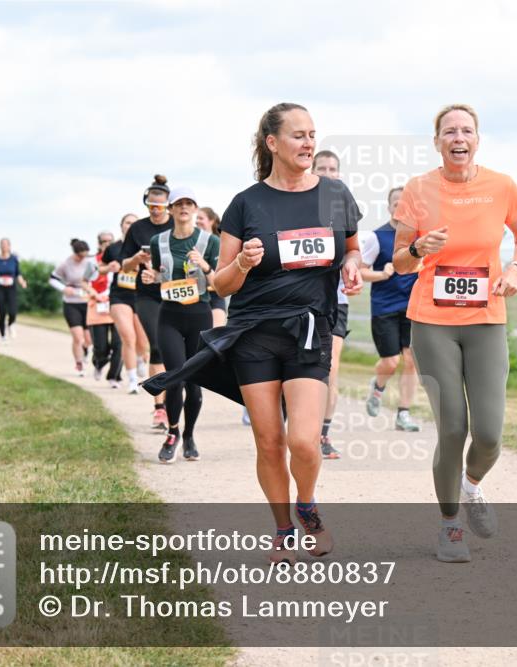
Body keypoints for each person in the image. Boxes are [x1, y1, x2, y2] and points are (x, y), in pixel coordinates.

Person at [144, 103, 363, 563]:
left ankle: (308, 506)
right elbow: (221, 284)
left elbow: (351, 248)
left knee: (303, 441)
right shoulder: (246, 203)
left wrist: (351, 265)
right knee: (269, 441)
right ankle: (283, 529)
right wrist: (242, 263)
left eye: (312, 134)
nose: (309, 143)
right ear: (272, 143)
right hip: (254, 333)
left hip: (309, 329)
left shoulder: (335, 194)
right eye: (299, 135)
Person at [391, 104, 517, 563]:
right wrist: (418, 247)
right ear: (437, 142)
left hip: (486, 319)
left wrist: (515, 268)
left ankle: (471, 486)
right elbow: (400, 262)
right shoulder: (418, 190)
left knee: (489, 433)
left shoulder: (502, 186)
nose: (458, 137)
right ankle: (450, 525)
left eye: (466, 131)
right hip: (432, 321)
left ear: (477, 139)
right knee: (453, 427)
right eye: (449, 131)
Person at [147, 186, 219, 462]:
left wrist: (205, 266)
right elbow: (160, 275)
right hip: (170, 316)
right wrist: (151, 278)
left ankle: (189, 436)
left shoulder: (210, 242)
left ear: (196, 209)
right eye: (179, 204)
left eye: (189, 203)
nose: (184, 208)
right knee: (175, 376)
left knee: (195, 381)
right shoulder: (159, 241)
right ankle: (173, 433)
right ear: (171, 209)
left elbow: (218, 285)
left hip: (199, 313)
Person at [360, 187, 421, 431]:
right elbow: (360, 271)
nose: (401, 206)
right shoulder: (377, 237)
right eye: (397, 203)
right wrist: (382, 274)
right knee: (391, 361)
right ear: (389, 207)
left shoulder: (419, 237)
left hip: (412, 306)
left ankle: (403, 414)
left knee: (412, 360)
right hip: (384, 307)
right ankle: (378, 387)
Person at [121, 176, 174, 427]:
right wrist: (136, 259)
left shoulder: (177, 225)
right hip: (147, 295)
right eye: (151, 205)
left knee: (178, 349)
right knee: (157, 344)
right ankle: (159, 407)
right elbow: (124, 265)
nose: (155, 210)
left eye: (159, 206)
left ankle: (176, 398)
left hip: (175, 292)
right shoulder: (138, 229)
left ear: (168, 205)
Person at [310, 150, 351, 459]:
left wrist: (353, 268)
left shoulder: (344, 210)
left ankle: (323, 433)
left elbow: (354, 252)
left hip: (336, 301)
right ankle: (298, 425)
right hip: (299, 302)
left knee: (331, 368)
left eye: (332, 169)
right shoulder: (295, 206)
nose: (327, 174)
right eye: (321, 168)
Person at [103, 213, 152, 394]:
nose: (130, 225)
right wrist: (108, 268)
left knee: (143, 341)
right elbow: (100, 268)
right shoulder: (113, 248)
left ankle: (141, 358)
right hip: (119, 296)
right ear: (121, 225)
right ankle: (132, 380)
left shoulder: (145, 247)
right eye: (127, 222)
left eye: (134, 223)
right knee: (128, 337)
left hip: (141, 295)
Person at [50, 239, 99, 375]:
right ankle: (79, 364)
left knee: (89, 339)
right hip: (71, 303)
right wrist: (63, 288)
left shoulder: (90, 263)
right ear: (75, 253)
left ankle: (85, 350)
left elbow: (96, 278)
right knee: (78, 337)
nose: (82, 258)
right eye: (80, 256)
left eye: (85, 256)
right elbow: (52, 279)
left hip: (87, 303)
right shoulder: (65, 264)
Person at [90, 231, 123, 387]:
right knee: (101, 346)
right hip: (98, 305)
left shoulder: (121, 259)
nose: (108, 244)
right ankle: (99, 362)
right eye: (104, 241)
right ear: (99, 243)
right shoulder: (92, 261)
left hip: (118, 304)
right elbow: (84, 280)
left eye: (111, 241)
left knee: (119, 343)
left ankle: (114, 376)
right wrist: (93, 293)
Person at [196, 206, 228, 329]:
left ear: (211, 221)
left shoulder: (219, 241)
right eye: (196, 218)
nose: (197, 221)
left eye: (201, 218)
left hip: (215, 295)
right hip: (196, 296)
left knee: (216, 334)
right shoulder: (191, 241)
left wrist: (205, 266)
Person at [0, 238, 27, 343]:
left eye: (5, 244)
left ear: (9, 246)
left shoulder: (14, 259)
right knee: (2, 312)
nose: (4, 246)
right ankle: (3, 336)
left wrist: (22, 282)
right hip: (0, 288)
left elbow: (18, 273)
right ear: (0, 246)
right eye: (2, 244)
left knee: (12, 311)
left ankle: (11, 324)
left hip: (11, 288)